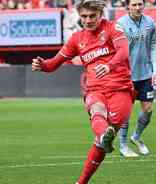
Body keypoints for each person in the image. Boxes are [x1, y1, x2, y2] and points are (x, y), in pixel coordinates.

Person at [32, 0, 133, 183]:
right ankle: (104, 136)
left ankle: (88, 170)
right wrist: (42, 64)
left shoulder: (113, 28)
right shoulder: (76, 39)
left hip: (121, 89)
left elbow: (124, 51)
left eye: (92, 16)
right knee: (97, 111)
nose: (87, 20)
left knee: (102, 142)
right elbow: (53, 64)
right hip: (94, 89)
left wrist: (109, 66)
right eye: (84, 16)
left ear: (100, 14)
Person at [116, 0, 156, 157]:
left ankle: (136, 136)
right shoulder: (120, 24)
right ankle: (123, 145)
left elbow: (154, 45)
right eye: (134, 4)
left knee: (148, 110)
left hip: (146, 74)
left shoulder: (150, 23)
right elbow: (116, 50)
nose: (137, 7)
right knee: (125, 112)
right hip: (126, 75)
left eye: (140, 4)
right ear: (128, 6)